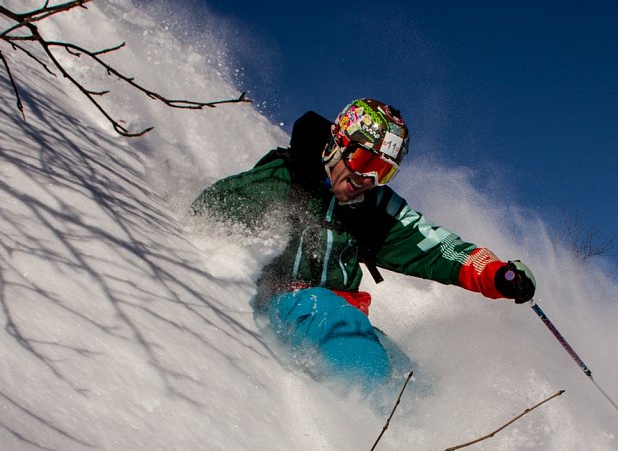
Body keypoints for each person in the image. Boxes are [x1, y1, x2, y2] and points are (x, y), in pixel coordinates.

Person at [192, 98, 536, 392]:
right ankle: (389, 445)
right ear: (336, 145)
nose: (366, 180)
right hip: (288, 302)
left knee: (411, 381)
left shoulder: (372, 208)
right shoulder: (284, 182)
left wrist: (492, 272)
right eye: (364, 162)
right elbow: (206, 212)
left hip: (344, 316)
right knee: (361, 355)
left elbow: (433, 246)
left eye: (381, 173)